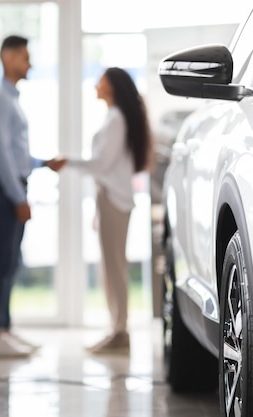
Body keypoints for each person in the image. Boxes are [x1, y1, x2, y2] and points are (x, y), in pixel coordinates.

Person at [0, 35, 63, 357]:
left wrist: (43, 163)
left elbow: (15, 154)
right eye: (24, 57)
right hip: (5, 189)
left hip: (12, 185)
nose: (29, 64)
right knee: (2, 261)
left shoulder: (11, 99)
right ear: (8, 57)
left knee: (10, 261)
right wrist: (18, 198)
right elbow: (0, 157)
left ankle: (4, 329)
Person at [61, 67, 153, 354]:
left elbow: (100, 165)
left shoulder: (116, 120)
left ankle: (120, 330)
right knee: (111, 266)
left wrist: (67, 162)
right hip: (110, 199)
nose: (95, 85)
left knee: (114, 267)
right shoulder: (115, 118)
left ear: (112, 87)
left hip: (114, 199)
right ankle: (117, 327)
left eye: (100, 81)